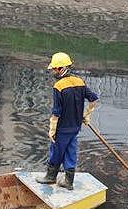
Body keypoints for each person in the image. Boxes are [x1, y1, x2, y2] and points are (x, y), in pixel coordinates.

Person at [36, 52, 99, 190]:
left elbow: (56, 111)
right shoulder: (80, 81)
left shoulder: (59, 86)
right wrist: (86, 115)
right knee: (71, 152)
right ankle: (68, 181)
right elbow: (93, 99)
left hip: (62, 128)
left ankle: (50, 177)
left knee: (56, 151)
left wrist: (52, 130)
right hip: (75, 127)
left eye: (53, 69)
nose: (52, 71)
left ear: (60, 69)